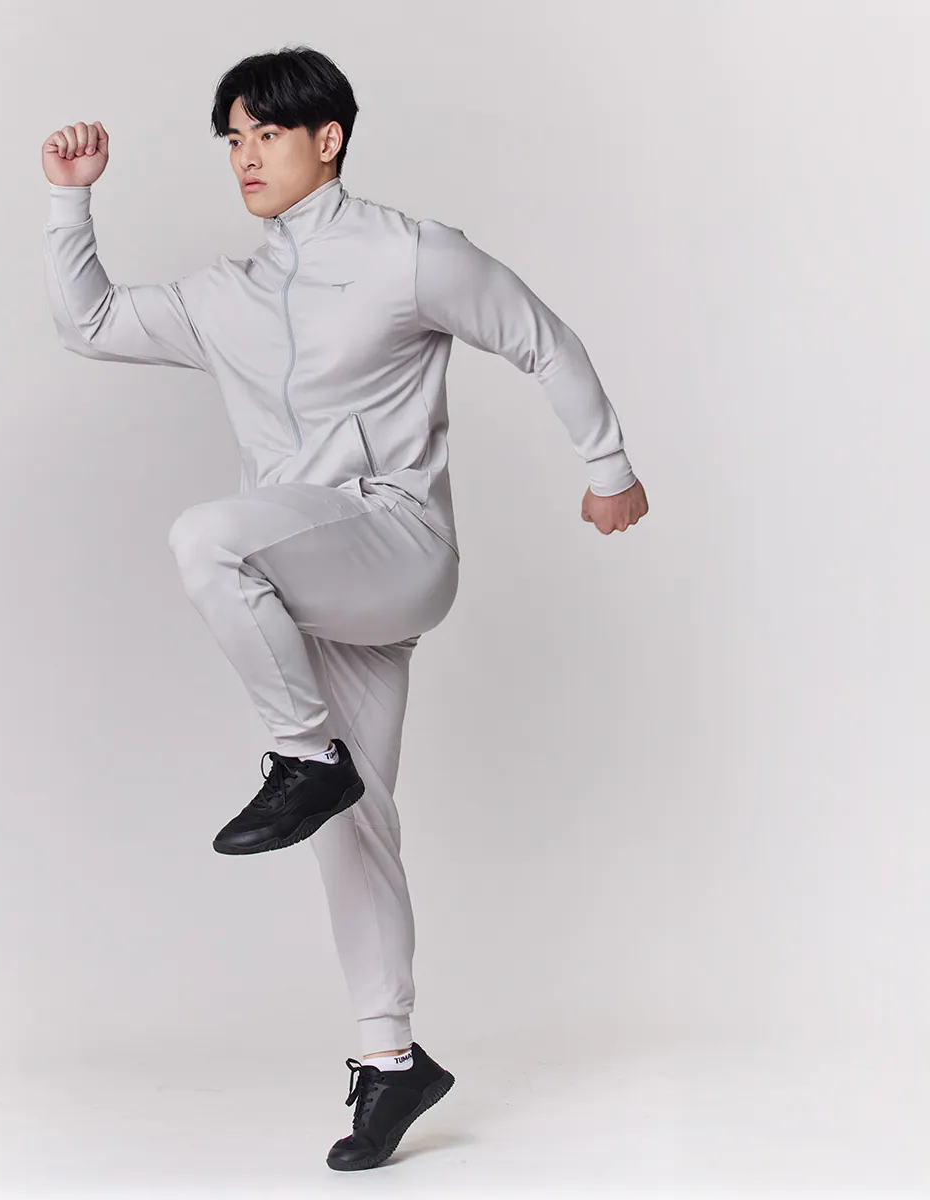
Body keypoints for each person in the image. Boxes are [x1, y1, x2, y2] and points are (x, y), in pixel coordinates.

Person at [40, 45, 648, 1172]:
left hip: (399, 545)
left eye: (268, 133)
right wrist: (71, 201)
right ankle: (389, 1060)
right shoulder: (226, 296)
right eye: (232, 138)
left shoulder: (408, 254)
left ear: (329, 140)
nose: (245, 157)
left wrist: (607, 466)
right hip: (312, 576)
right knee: (353, 828)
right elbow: (90, 324)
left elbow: (539, 337)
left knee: (208, 536)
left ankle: (300, 754)